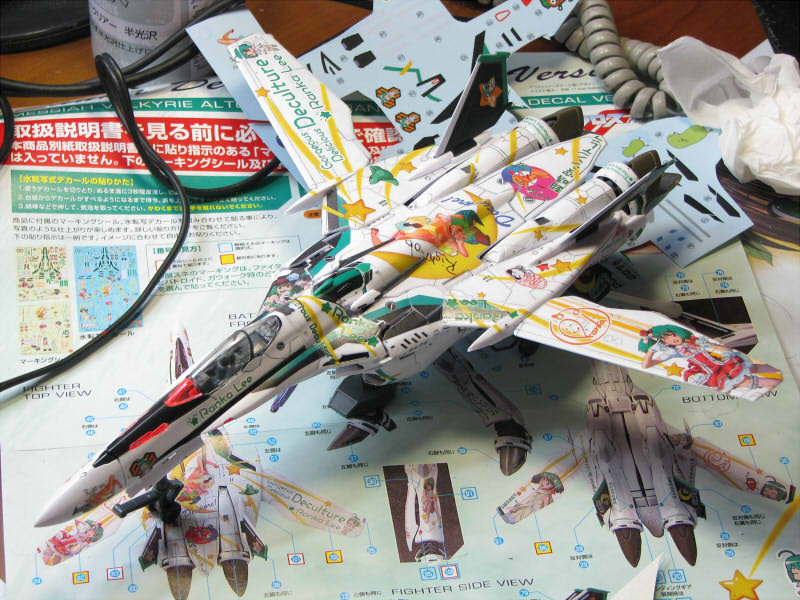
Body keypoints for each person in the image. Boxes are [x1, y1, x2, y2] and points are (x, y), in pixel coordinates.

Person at [638, 324, 779, 395]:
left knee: (755, 367)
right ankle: (780, 384)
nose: (672, 339)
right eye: (666, 339)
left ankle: (782, 375)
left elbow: (721, 348)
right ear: (663, 341)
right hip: (712, 372)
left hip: (722, 363)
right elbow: (646, 366)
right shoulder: (672, 351)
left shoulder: (695, 340)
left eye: (673, 335)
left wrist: (717, 348)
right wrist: (651, 351)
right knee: (747, 381)